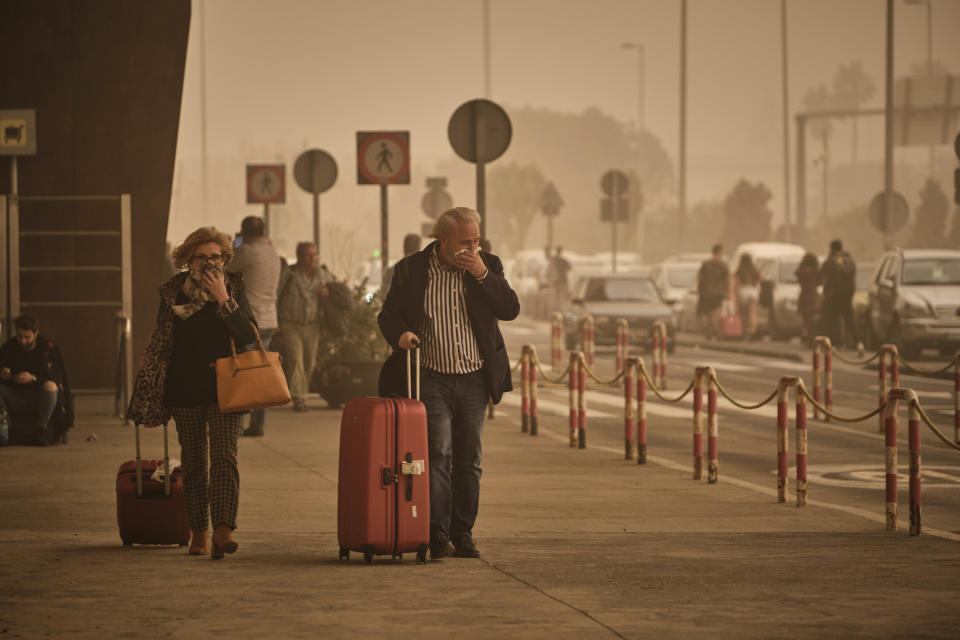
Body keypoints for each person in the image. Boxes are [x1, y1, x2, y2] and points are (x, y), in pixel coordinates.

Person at [378, 206, 520, 559]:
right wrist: (402, 334)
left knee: (469, 457)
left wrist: (485, 274)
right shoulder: (411, 270)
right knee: (438, 453)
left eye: (476, 241)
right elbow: (388, 314)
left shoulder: (488, 265)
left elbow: (510, 309)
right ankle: (437, 531)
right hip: (430, 375)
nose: (472, 249)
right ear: (441, 239)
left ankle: (463, 532)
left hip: (473, 376)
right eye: (464, 243)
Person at [127, 227, 257, 559]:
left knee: (225, 457)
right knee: (195, 462)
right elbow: (161, 344)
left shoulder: (234, 288)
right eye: (203, 257)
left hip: (228, 385)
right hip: (184, 387)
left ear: (225, 259)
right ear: (189, 260)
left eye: (216, 257)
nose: (210, 263)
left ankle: (224, 529)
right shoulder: (173, 293)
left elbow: (246, 334)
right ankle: (199, 531)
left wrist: (223, 299)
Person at [226, 216, 282, 437]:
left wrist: (235, 246)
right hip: (270, 319)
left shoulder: (247, 251)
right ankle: (258, 424)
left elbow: (227, 268)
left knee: (243, 372)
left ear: (245, 232)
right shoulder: (272, 252)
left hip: (251, 320)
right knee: (262, 372)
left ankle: (237, 425)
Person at [0, 315, 73, 446]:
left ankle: (41, 429)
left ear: (36, 333)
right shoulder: (9, 346)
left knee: (51, 386)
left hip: (38, 397)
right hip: (15, 394)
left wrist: (33, 378)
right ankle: (7, 428)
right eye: (19, 336)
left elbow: (57, 377)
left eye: (27, 337)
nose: (22, 341)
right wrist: (5, 374)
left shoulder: (48, 349)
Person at [276, 242, 329, 412]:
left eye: (314, 255)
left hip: (313, 324)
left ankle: (302, 393)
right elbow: (276, 294)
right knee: (295, 359)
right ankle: (299, 398)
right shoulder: (289, 273)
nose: (312, 258)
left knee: (308, 362)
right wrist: (276, 320)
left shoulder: (323, 275)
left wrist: (326, 295)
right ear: (299, 256)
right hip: (290, 323)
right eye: (308, 255)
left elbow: (333, 299)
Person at [819, 239, 859, 349]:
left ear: (832, 248)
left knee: (831, 319)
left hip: (835, 295)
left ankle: (833, 343)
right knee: (849, 319)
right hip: (847, 294)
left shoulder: (834, 259)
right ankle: (856, 342)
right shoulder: (849, 259)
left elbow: (824, 272)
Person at [697, 244, 730, 340]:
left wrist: (700, 290)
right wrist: (727, 291)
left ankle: (710, 331)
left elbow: (700, 278)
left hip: (707, 292)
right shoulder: (723, 265)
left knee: (709, 313)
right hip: (719, 292)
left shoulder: (706, 264)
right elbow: (727, 279)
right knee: (717, 312)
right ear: (720, 252)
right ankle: (715, 329)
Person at [733, 253, 761, 341]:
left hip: (743, 290)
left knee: (743, 314)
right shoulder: (754, 270)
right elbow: (759, 280)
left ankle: (744, 332)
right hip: (753, 291)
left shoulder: (739, 270)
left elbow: (737, 283)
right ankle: (752, 332)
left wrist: (736, 295)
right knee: (752, 313)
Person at [795, 253, 821, 344]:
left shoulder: (801, 271)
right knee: (812, 317)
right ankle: (811, 336)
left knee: (805, 319)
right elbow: (819, 282)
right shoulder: (816, 271)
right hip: (813, 296)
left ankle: (806, 336)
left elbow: (797, 274)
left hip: (804, 295)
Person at [550, 246, 573, 314]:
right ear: (561, 251)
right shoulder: (563, 260)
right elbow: (570, 268)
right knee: (564, 297)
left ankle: (558, 311)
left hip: (556, 282)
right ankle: (563, 311)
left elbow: (551, 269)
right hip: (563, 281)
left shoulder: (554, 259)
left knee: (557, 297)